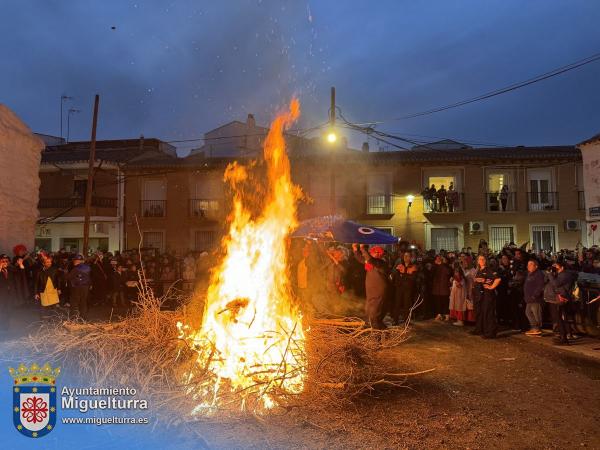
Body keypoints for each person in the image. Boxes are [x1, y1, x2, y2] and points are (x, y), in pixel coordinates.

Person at [353, 243, 389, 329]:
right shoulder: (372, 262)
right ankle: (383, 333)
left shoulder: (380, 262)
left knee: (375, 316)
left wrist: (362, 248)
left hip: (378, 293)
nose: (370, 253)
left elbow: (369, 259)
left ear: (378, 254)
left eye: (372, 252)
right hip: (371, 293)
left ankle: (378, 337)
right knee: (370, 314)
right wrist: (355, 249)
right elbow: (361, 259)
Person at [547, 260, 576, 345]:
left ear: (562, 267)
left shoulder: (564, 275)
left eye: (556, 266)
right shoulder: (559, 274)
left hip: (561, 298)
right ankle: (564, 335)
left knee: (559, 318)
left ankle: (564, 338)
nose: (554, 267)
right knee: (560, 318)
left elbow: (556, 284)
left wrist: (549, 274)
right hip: (559, 297)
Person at [473, 255, 501, 338]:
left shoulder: (489, 269)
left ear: (486, 260)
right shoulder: (478, 270)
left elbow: (498, 279)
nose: (481, 260)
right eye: (480, 259)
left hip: (487, 295)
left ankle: (490, 333)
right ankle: (480, 330)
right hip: (479, 295)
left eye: (483, 259)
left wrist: (491, 287)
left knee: (488, 313)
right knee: (480, 312)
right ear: (477, 261)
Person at [392, 251, 418, 324]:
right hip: (399, 288)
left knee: (407, 304)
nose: (406, 258)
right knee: (397, 304)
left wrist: (402, 275)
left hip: (408, 288)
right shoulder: (400, 265)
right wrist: (405, 276)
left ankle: (406, 320)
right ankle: (395, 320)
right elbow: (396, 276)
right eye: (405, 256)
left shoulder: (413, 267)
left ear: (410, 257)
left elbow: (413, 278)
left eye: (408, 256)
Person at [34, 254, 61, 319]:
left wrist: (59, 289)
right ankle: (44, 318)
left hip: (53, 290)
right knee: (44, 306)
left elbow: (58, 280)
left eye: (50, 262)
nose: (49, 263)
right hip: (43, 290)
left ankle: (53, 318)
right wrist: (36, 293)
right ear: (43, 263)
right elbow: (36, 283)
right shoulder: (39, 272)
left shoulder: (55, 270)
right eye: (47, 262)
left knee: (53, 305)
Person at [66, 254, 91, 320]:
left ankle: (73, 318)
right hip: (85, 287)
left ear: (78, 261)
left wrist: (65, 273)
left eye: (75, 260)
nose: (74, 262)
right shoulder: (88, 267)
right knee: (83, 302)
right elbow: (91, 277)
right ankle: (83, 317)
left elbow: (68, 277)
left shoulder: (75, 269)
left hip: (76, 288)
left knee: (74, 303)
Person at [523, 259, 545, 336]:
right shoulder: (529, 274)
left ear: (536, 266)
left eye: (530, 264)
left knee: (536, 314)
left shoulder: (538, 274)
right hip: (529, 299)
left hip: (535, 299)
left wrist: (535, 295)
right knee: (528, 312)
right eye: (528, 264)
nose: (528, 266)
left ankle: (538, 329)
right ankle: (534, 327)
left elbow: (540, 285)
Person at [431, 255, 451, 321]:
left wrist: (442, 264)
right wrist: (435, 265)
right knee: (438, 301)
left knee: (445, 301)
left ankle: (446, 314)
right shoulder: (434, 266)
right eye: (437, 258)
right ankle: (439, 314)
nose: (438, 259)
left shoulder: (446, 266)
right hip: (437, 287)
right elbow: (431, 273)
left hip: (444, 286)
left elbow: (449, 273)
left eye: (439, 258)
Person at [0, 254, 15, 333]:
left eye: (6, 261)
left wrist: (21, 266)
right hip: (1, 295)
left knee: (8, 310)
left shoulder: (10, 270)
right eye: (3, 261)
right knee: (1, 310)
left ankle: (6, 325)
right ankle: (2, 325)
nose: (5, 262)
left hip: (9, 294)